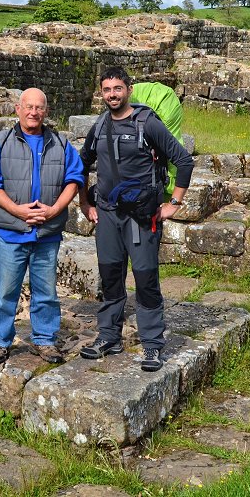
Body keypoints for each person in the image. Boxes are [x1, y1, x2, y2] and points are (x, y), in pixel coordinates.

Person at [77, 67, 194, 372]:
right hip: (108, 214)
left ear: (128, 89)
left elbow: (183, 161)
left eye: (117, 88)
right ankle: (109, 336)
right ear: (101, 93)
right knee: (110, 277)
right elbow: (81, 164)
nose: (112, 95)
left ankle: (152, 345)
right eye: (107, 90)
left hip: (142, 217)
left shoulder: (147, 123)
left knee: (145, 279)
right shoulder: (100, 126)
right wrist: (84, 202)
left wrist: (174, 203)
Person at [0, 87, 84, 365]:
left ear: (46, 111)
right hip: (11, 232)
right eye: (29, 107)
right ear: (18, 109)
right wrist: (18, 211)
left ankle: (45, 339)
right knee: (6, 292)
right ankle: (0, 341)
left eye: (39, 107)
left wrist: (54, 210)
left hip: (47, 233)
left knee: (46, 292)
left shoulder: (60, 144)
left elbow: (74, 179)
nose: (34, 112)